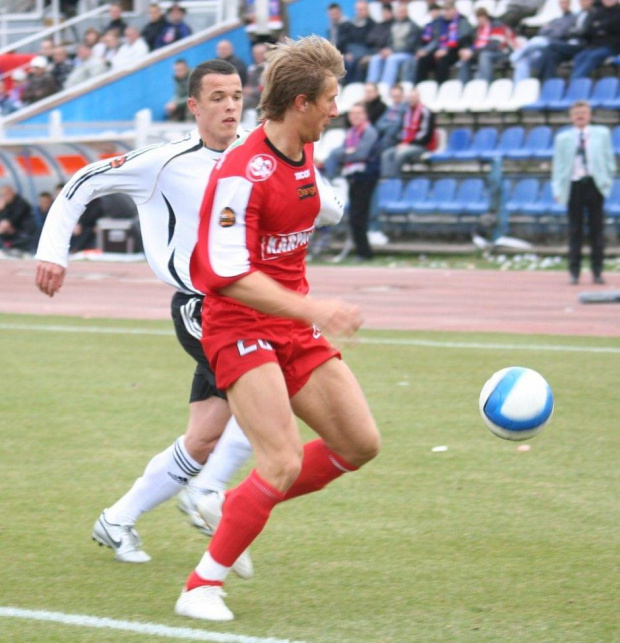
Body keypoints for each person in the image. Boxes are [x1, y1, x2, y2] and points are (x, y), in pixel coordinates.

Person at [35, 58, 344, 568]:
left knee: (204, 436)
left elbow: (322, 200)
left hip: (256, 304)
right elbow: (82, 183)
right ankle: (211, 496)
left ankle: (118, 520)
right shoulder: (164, 161)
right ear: (194, 106)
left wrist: (318, 199)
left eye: (237, 95)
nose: (229, 106)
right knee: (272, 390)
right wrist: (53, 251)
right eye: (217, 97)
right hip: (206, 307)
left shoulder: (262, 153)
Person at [176, 34, 380, 623]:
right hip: (237, 323)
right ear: (300, 104)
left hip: (290, 325)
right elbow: (226, 275)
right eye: (330, 99)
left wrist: (304, 313)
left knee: (359, 444)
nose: (336, 109)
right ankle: (199, 587)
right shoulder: (244, 173)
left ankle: (232, 505)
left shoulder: (303, 148)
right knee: (282, 460)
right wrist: (318, 311)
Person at [551, 100, 616, 285]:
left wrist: (607, 179)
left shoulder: (601, 134)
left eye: (584, 113)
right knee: (575, 230)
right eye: (577, 113)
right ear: (572, 117)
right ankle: (574, 271)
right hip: (574, 185)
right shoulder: (563, 138)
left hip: (594, 184)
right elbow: (558, 166)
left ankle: (597, 271)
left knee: (597, 230)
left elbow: (608, 158)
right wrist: (557, 189)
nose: (580, 116)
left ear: (590, 115)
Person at [325, 102, 380, 261]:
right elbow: (341, 153)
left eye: (358, 114)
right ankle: (362, 251)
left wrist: (343, 154)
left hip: (365, 177)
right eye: (352, 114)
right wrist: (345, 153)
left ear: (365, 115)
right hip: (353, 176)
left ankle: (364, 252)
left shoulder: (368, 132)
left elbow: (361, 154)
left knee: (358, 215)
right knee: (356, 215)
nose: (355, 117)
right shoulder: (351, 132)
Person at [509, 0, 576, 83]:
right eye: (561, 3)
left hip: (553, 43)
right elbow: (542, 31)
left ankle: (514, 57)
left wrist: (550, 29)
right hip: (543, 46)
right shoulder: (556, 19)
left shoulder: (572, 18)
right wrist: (551, 29)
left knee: (535, 40)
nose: (563, 5)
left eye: (565, 3)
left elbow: (561, 33)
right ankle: (519, 88)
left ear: (570, 4)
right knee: (523, 62)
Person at [380, 87, 437, 178]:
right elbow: (402, 131)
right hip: (405, 144)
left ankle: (395, 182)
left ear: (418, 98)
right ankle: (386, 180)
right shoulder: (406, 112)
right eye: (409, 98)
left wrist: (408, 143)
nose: (411, 100)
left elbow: (426, 135)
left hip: (421, 146)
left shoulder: (425, 112)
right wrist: (401, 142)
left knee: (400, 154)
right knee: (386, 154)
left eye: (414, 97)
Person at [414, 0, 473, 84]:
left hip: (455, 50)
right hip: (439, 48)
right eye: (445, 10)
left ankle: (441, 85)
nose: (446, 13)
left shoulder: (462, 21)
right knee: (423, 59)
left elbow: (463, 40)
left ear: (455, 10)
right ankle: (419, 85)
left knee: (442, 61)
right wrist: (426, 50)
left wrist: (447, 49)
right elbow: (436, 40)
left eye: (448, 10)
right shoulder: (440, 22)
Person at [366, 1, 421, 87]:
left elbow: (410, 46)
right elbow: (389, 42)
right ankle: (371, 85)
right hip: (393, 52)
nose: (400, 14)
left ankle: (385, 86)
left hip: (407, 53)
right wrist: (386, 50)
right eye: (398, 12)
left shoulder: (413, 26)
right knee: (376, 58)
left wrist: (392, 51)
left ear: (407, 12)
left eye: (402, 12)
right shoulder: (394, 25)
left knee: (391, 59)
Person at [457, 8, 516, 84]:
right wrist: (467, 50)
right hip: (482, 52)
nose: (480, 20)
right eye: (478, 18)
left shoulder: (497, 25)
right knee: (465, 57)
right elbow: (475, 45)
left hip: (501, 52)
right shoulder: (477, 30)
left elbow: (495, 45)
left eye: (481, 17)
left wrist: (473, 52)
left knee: (484, 55)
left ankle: (485, 84)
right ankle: (462, 84)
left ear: (486, 17)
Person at [538, 0, 594, 80]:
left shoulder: (593, 14)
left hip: (581, 46)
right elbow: (567, 30)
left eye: (585, 1)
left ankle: (540, 78)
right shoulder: (578, 15)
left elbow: (585, 32)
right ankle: (549, 82)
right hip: (570, 44)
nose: (583, 3)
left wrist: (574, 32)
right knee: (550, 55)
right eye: (581, 1)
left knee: (550, 45)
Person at [569, 0, 620, 80]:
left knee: (593, 56)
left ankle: (575, 82)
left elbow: (612, 28)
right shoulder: (598, 12)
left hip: (611, 47)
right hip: (595, 46)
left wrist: (599, 27)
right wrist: (601, 29)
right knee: (579, 57)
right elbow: (589, 30)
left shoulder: (618, 13)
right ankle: (577, 83)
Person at [0, 184, 36, 252]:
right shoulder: (7, 205)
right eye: (2, 195)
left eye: (5, 194)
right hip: (12, 232)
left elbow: (10, 220)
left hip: (24, 232)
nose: (4, 197)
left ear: (12, 192)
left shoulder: (21, 203)